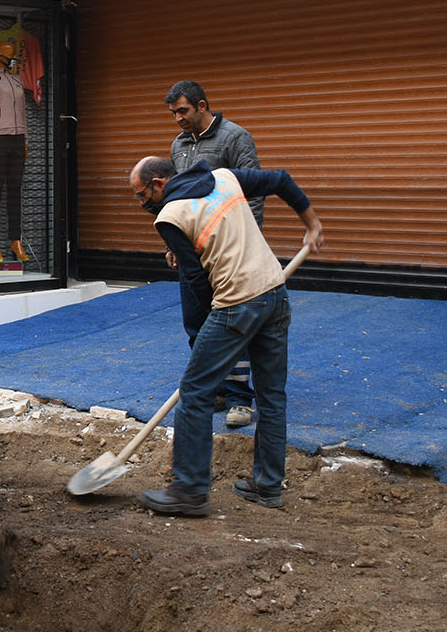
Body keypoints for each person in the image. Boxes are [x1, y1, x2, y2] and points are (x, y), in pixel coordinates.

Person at [128, 154, 323, 516]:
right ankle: (268, 486)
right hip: (275, 294)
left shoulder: (169, 216)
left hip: (235, 304)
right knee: (271, 396)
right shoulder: (224, 178)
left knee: (195, 391)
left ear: (158, 184)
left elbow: (197, 280)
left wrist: (216, 327)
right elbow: (280, 179)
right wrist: (312, 225)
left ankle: (189, 490)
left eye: (141, 195)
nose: (142, 204)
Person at [165, 79, 262, 429]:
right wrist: (172, 243)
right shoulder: (178, 146)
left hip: (226, 251)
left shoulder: (235, 138)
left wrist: (248, 243)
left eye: (183, 111)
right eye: (173, 113)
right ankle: (216, 389)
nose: (178, 118)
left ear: (202, 106)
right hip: (191, 251)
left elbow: (253, 192)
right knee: (196, 325)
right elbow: (176, 199)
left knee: (232, 323)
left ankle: (240, 400)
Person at [0, 41, 30, 264]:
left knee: (15, 191)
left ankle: (15, 240)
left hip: (17, 140)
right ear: (0, 55)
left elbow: (23, 112)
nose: (13, 58)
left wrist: (26, 140)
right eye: (10, 55)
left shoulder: (17, 80)